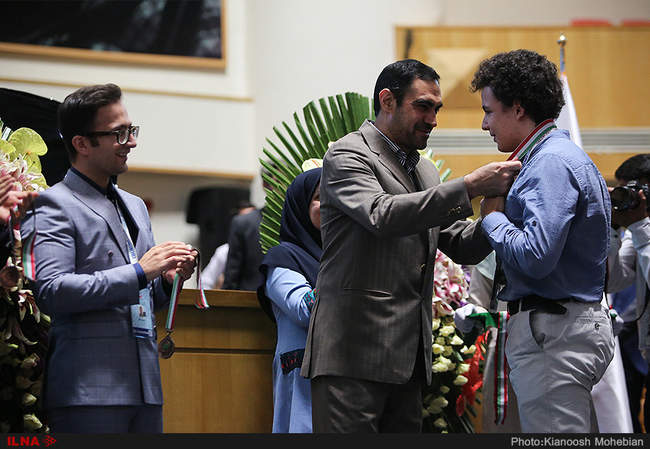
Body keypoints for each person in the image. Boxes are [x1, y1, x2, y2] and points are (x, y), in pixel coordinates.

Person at [300, 59, 521, 433]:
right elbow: (381, 215)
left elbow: (462, 246)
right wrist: (470, 186)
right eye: (423, 106)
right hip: (351, 355)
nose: (433, 119)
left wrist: (496, 213)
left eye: (437, 109)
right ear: (387, 101)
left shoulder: (425, 170)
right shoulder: (348, 154)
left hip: (408, 361)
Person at [21, 83, 198, 433]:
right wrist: (140, 271)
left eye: (131, 130)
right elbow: (53, 291)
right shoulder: (53, 204)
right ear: (81, 143)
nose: (131, 142)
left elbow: (143, 295)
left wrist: (166, 280)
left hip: (146, 385)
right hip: (89, 389)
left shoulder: (135, 205)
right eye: (118, 134)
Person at [471, 49, 614, 433]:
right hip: (562, 328)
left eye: (489, 111)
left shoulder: (549, 163)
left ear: (518, 109)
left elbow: (535, 256)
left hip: (554, 332)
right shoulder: (562, 156)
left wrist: (492, 218)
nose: (484, 124)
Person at [257, 167, 322, 433]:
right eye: (320, 197)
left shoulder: (345, 254)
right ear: (301, 204)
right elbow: (304, 310)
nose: (331, 204)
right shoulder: (283, 257)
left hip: (348, 373)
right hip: (303, 374)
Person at [606, 153, 650, 432]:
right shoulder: (639, 230)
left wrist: (641, 227)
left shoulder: (642, 230)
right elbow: (613, 281)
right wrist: (612, 229)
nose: (630, 198)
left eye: (635, 190)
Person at [222, 201, 263, 291]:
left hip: (250, 292)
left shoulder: (243, 222)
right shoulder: (243, 222)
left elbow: (233, 270)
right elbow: (233, 269)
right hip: (250, 294)